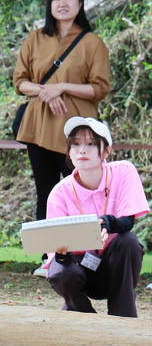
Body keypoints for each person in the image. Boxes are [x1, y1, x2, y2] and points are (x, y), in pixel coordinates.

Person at [13, 0, 110, 222]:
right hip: (39, 126)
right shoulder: (35, 38)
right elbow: (20, 82)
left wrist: (62, 87)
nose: (62, 3)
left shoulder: (92, 43)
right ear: (49, 4)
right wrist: (45, 92)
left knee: (80, 194)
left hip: (78, 132)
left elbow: (99, 88)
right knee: (46, 194)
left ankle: (83, 246)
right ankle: (46, 248)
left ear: (80, 4)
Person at [45, 117, 148, 317]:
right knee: (61, 271)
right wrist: (62, 255)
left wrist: (108, 223)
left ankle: (124, 317)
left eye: (91, 144)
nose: (82, 150)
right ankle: (82, 314)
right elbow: (56, 251)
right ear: (69, 152)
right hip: (78, 266)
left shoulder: (123, 172)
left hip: (111, 266)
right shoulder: (59, 193)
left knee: (128, 242)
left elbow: (127, 222)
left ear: (106, 151)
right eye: (75, 144)